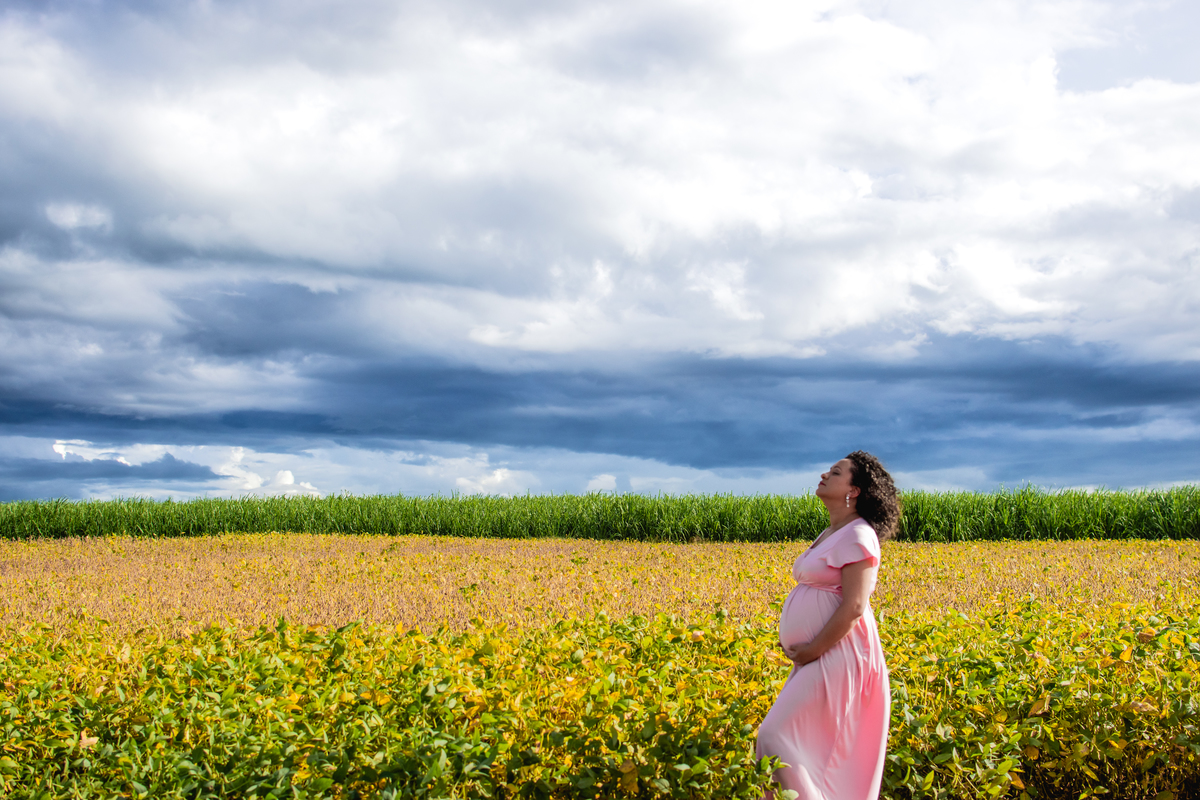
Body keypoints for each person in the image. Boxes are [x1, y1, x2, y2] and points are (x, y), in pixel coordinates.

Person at [755, 450, 899, 800]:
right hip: (819, 656)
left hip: (839, 653)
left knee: (774, 738)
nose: (824, 474)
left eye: (836, 473)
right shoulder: (832, 531)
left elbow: (853, 606)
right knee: (797, 747)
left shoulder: (859, 536)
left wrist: (813, 649)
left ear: (855, 491)